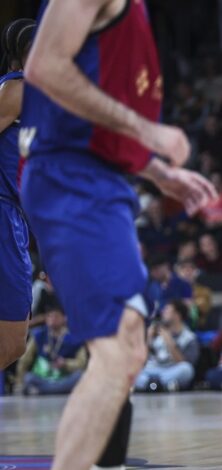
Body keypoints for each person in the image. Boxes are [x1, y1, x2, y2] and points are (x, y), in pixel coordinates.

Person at [19, 1, 217, 469]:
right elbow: (44, 66)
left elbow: (95, 122)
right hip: (72, 178)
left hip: (101, 180)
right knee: (114, 346)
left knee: (127, 345)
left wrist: (158, 173)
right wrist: (148, 131)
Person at [0, 18, 35, 370]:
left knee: (11, 343)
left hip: (14, 217)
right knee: (11, 343)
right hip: (2, 216)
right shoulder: (17, 88)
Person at [14, 300, 87, 395]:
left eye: (56, 316)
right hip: (43, 378)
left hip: (64, 378)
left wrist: (65, 364)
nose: (52, 319)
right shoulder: (39, 335)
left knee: (79, 376)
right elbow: (25, 359)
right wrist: (19, 382)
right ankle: (56, 390)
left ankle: (42, 391)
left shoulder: (74, 337)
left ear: (64, 318)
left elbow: (82, 363)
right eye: (49, 316)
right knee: (29, 378)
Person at [134, 300, 199, 392]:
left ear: (177, 315)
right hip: (152, 369)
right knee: (130, 369)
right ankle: (160, 385)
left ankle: (151, 385)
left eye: (167, 311)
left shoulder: (189, 337)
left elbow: (183, 363)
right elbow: (141, 360)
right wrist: (148, 339)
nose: (163, 313)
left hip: (170, 370)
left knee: (187, 369)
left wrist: (170, 342)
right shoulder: (155, 332)